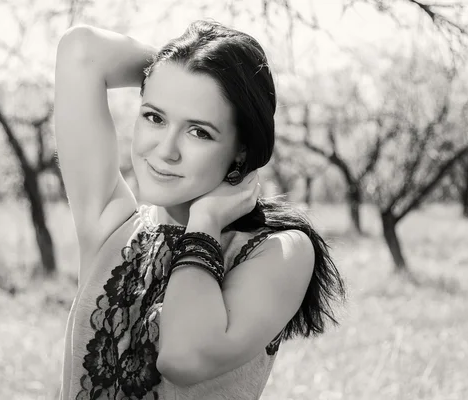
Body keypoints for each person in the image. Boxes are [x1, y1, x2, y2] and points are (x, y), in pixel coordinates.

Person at [54, 19, 345, 400]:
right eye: (154, 117)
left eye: (199, 132)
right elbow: (82, 50)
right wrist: (180, 64)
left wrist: (204, 224)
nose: (166, 150)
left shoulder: (280, 252)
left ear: (241, 149)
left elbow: (183, 358)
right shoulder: (111, 228)